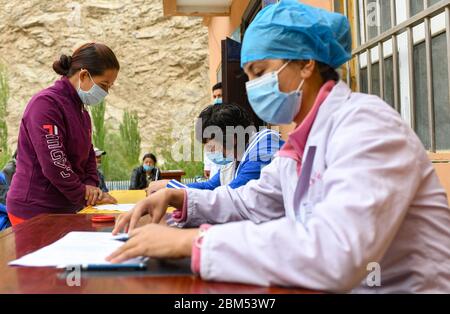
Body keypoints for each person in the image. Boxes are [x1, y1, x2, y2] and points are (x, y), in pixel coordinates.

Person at [108, 1, 450, 293]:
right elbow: (251, 201)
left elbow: (337, 251)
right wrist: (181, 197)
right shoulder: (301, 142)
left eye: (261, 72)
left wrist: (194, 243)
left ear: (306, 63)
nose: (255, 87)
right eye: (250, 77)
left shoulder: (365, 125)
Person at [6, 43, 119, 225]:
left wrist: (90, 184)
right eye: (104, 84)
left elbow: (88, 152)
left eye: (109, 86)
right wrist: (83, 193)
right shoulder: (46, 105)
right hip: (35, 209)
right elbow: (55, 162)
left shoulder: (81, 111)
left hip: (67, 207)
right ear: (83, 75)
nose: (105, 92)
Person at [147, 103, 283, 193]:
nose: (210, 154)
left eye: (212, 148)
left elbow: (229, 197)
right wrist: (168, 186)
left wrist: (170, 189)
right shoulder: (236, 158)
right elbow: (209, 186)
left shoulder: (263, 150)